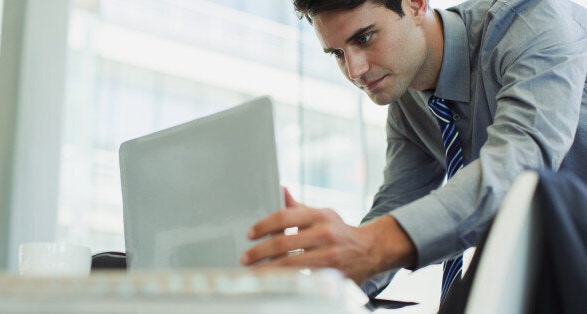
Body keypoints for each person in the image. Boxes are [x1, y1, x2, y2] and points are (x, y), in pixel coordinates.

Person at [241, 0, 586, 300]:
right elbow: (397, 202)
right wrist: (326, 281)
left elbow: (518, 167)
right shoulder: (407, 102)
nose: (355, 70)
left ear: (416, 4)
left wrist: (370, 247)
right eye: (337, 54)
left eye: (364, 38)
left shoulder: (532, 21)